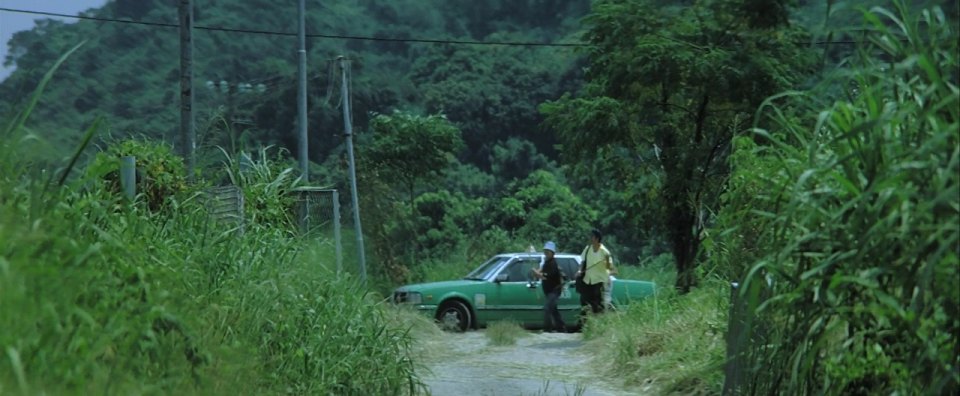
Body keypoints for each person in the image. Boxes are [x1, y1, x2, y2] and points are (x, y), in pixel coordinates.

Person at [578, 229, 615, 316]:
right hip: (587, 282)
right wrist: (579, 271)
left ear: (597, 238)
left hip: (598, 283)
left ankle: (598, 323)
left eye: (592, 237)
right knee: (584, 303)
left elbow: (610, 268)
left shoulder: (604, 252)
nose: (590, 238)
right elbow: (582, 262)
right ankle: (585, 325)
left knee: (597, 305)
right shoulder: (587, 249)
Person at [533, 241, 566, 332]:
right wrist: (536, 272)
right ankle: (561, 328)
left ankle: (547, 329)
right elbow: (541, 271)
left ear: (552, 253)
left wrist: (537, 274)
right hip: (548, 290)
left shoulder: (553, 264)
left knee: (547, 308)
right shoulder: (546, 263)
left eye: (548, 252)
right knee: (554, 309)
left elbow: (544, 276)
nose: (546, 253)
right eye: (545, 251)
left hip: (554, 291)